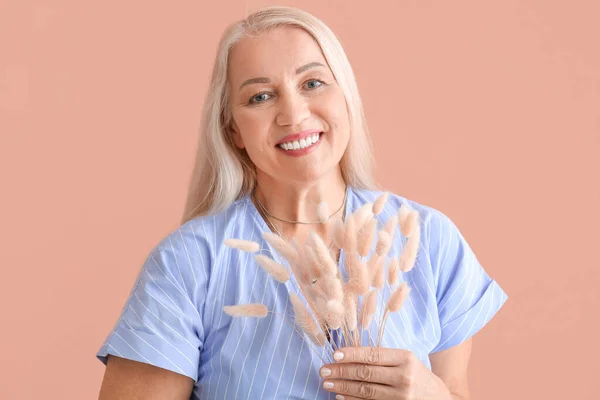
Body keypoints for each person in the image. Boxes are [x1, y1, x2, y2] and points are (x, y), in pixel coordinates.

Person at [96, 6, 507, 400]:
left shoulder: (428, 238)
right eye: (260, 97)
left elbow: (456, 391)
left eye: (312, 83)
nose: (293, 114)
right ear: (234, 130)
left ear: (345, 96)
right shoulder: (187, 263)